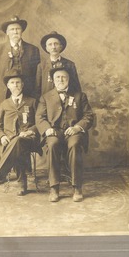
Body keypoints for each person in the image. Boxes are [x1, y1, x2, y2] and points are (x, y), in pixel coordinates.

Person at [36, 66, 93, 202]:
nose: (61, 80)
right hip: (54, 131)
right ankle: (54, 187)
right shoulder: (46, 97)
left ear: (68, 79)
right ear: (53, 80)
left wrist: (78, 127)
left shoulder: (80, 96)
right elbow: (39, 117)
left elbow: (88, 116)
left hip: (73, 132)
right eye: (58, 77)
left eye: (64, 77)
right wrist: (47, 129)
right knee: (53, 144)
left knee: (74, 144)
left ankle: (77, 187)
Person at [0, 69, 41, 196]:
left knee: (19, 142)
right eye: (12, 83)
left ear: (22, 85)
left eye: (18, 82)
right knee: (16, 144)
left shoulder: (32, 101)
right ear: (8, 86)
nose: (15, 85)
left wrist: (29, 132)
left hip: (29, 139)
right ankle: (22, 184)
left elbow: (40, 122)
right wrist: (1, 137)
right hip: (10, 139)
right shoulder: (4, 104)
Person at [0, 15, 40, 115]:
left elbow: (37, 77)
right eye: (12, 29)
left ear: (22, 31)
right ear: (7, 32)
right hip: (3, 96)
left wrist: (35, 98)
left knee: (27, 125)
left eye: (18, 29)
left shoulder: (33, 50)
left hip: (27, 96)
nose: (15, 32)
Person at [35, 31, 81, 97]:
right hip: (47, 102)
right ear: (46, 48)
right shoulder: (41, 66)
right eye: (50, 44)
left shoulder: (69, 65)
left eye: (56, 44)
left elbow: (76, 87)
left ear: (61, 47)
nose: (53, 47)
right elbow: (37, 89)